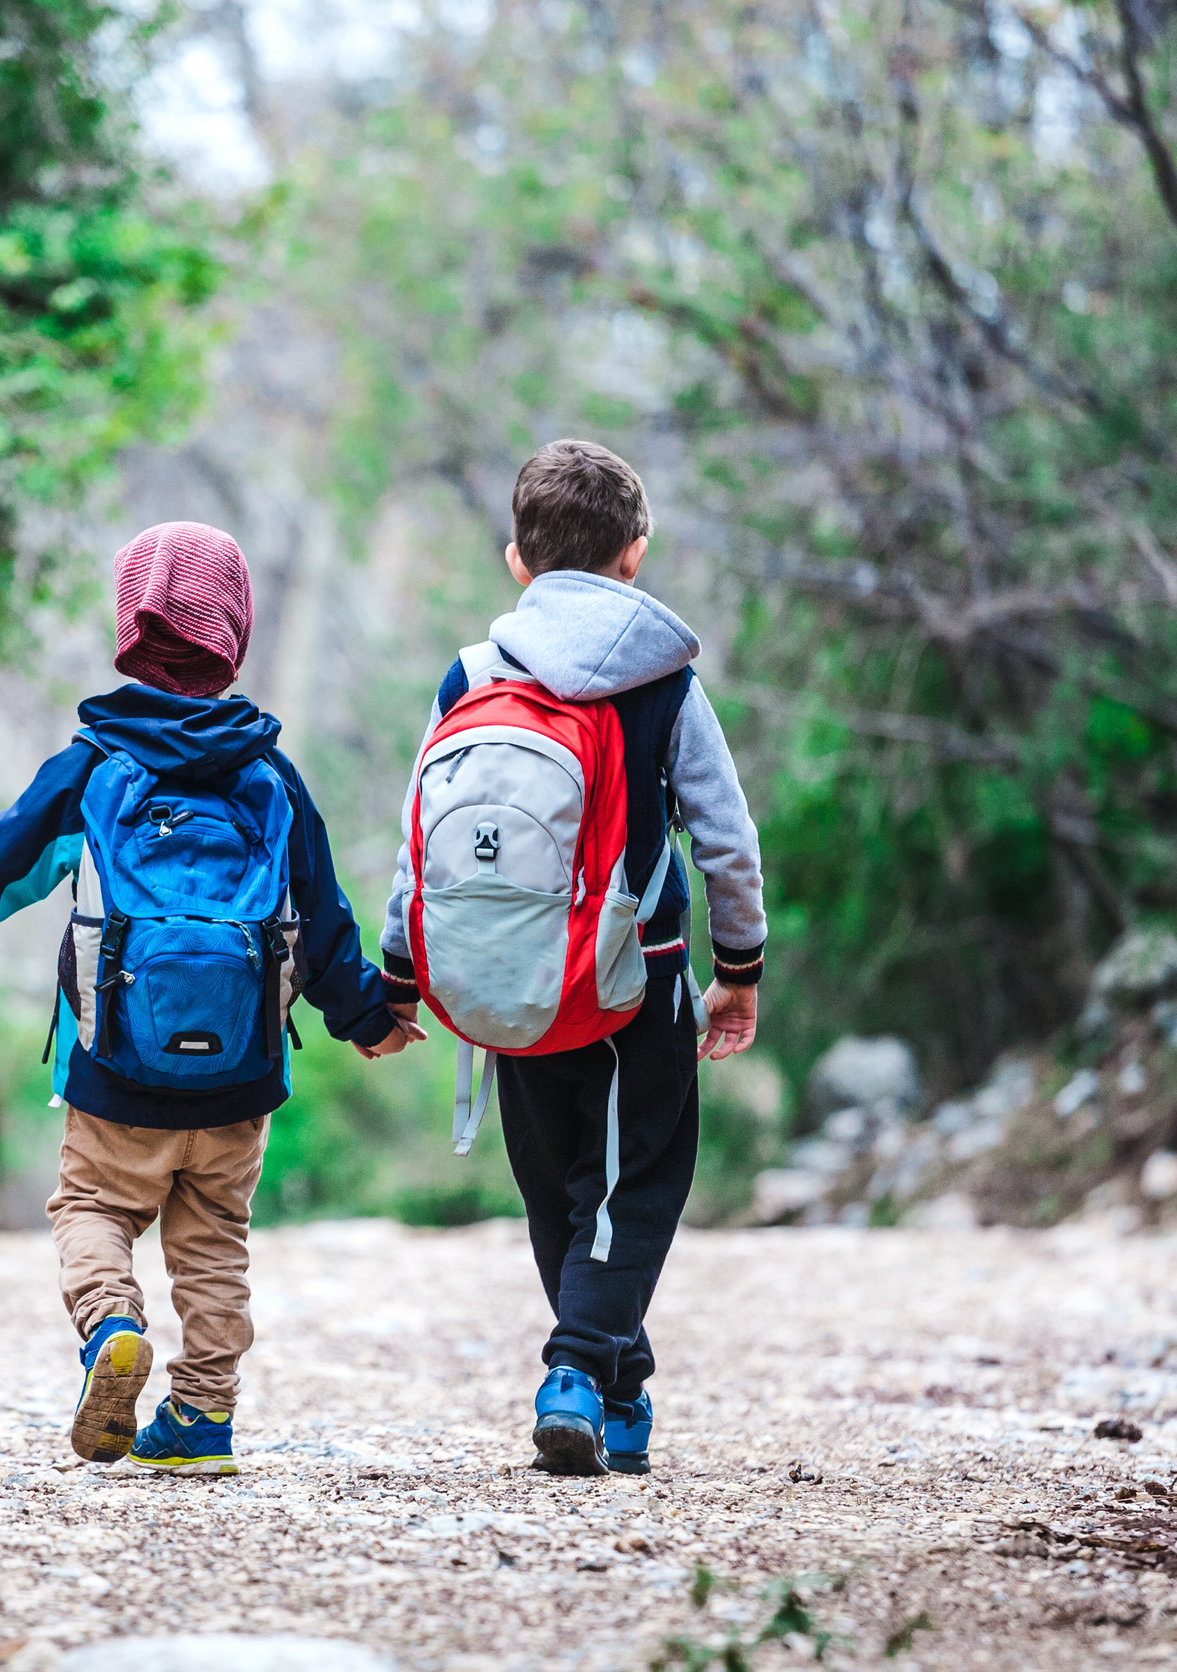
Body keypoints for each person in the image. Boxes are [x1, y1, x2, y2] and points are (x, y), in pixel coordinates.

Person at [0, 522, 422, 1475]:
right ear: (235, 633)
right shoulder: (270, 776)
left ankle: (112, 1326)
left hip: (113, 1076)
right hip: (240, 1083)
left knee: (91, 1209)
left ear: (128, 629)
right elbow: (322, 924)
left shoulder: (94, 768)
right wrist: (367, 1019)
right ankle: (202, 1417)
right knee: (214, 1243)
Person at [380, 440, 765, 1476]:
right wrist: (739, 971)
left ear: (519, 560)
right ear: (634, 555)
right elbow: (726, 841)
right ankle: (575, 1371)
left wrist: (401, 973)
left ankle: (614, 1388)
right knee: (637, 1180)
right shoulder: (665, 683)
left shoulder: (469, 676)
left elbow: (420, 839)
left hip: (510, 976)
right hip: (639, 975)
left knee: (558, 1190)